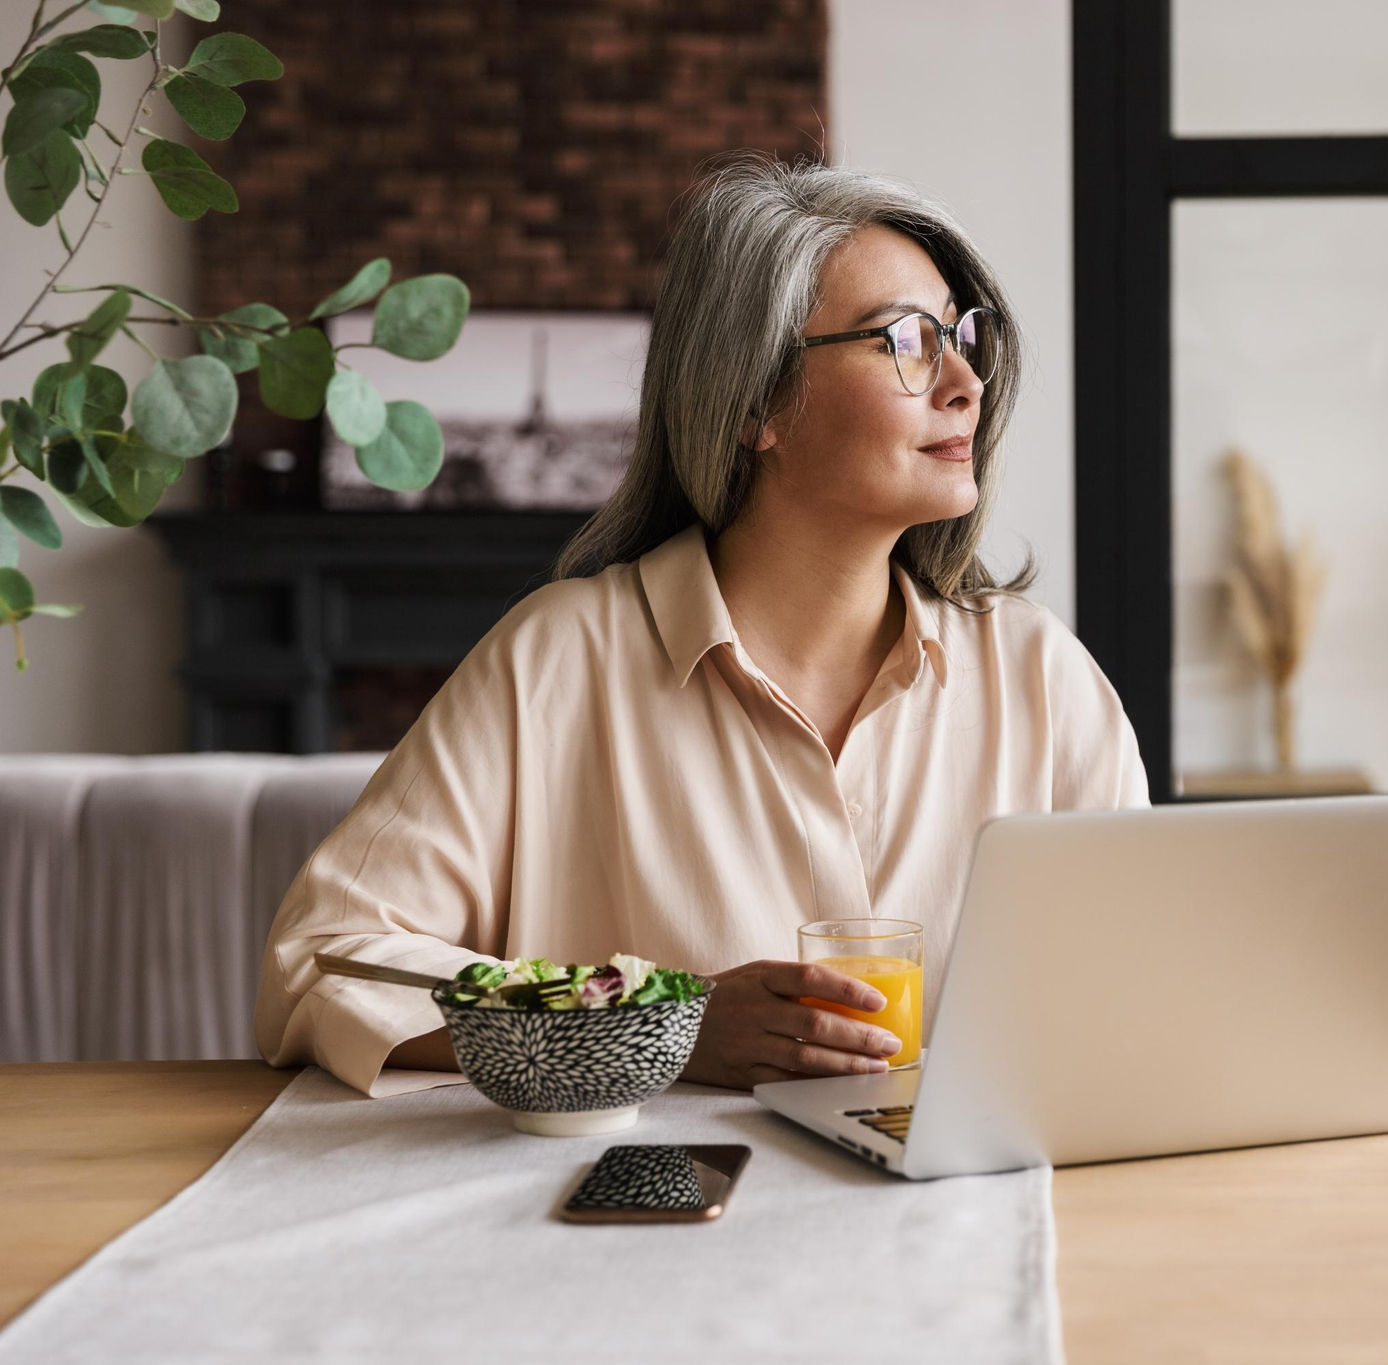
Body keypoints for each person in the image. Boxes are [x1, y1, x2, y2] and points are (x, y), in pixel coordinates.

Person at [253, 152, 1149, 1097]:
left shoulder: (1038, 674)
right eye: (907, 340)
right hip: (653, 1231)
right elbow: (323, 963)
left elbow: (1158, 981)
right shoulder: (558, 660)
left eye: (964, 336)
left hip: (976, 1219)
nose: (966, 380)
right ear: (757, 398)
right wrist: (654, 1024)